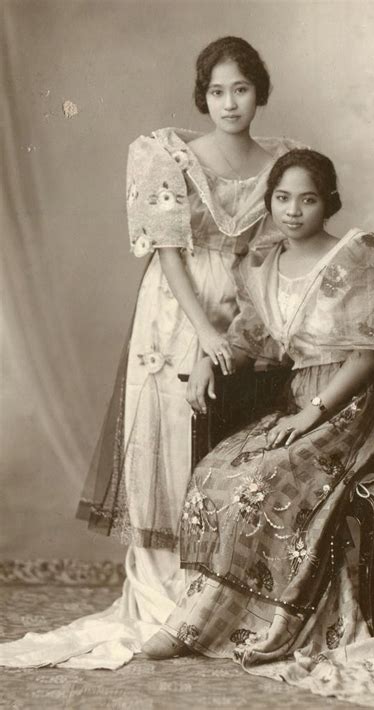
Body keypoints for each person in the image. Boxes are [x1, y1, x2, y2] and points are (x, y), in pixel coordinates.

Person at [0, 37, 301, 670]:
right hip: (177, 308)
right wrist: (205, 332)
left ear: (260, 92)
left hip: (246, 306)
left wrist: (236, 325)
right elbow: (167, 252)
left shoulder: (283, 162)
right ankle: (173, 594)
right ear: (203, 95)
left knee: (240, 439)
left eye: (241, 89)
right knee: (169, 434)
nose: (229, 103)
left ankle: (232, 590)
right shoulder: (167, 153)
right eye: (217, 91)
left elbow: (268, 254)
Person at [142, 149, 374, 707]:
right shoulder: (261, 263)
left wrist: (307, 416)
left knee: (270, 479)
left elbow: (369, 356)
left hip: (354, 403)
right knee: (216, 474)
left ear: (328, 202)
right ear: (270, 202)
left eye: (308, 199)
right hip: (298, 397)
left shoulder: (362, 255)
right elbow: (248, 340)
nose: (293, 211)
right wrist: (207, 357)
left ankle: (266, 624)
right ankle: (205, 619)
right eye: (282, 198)